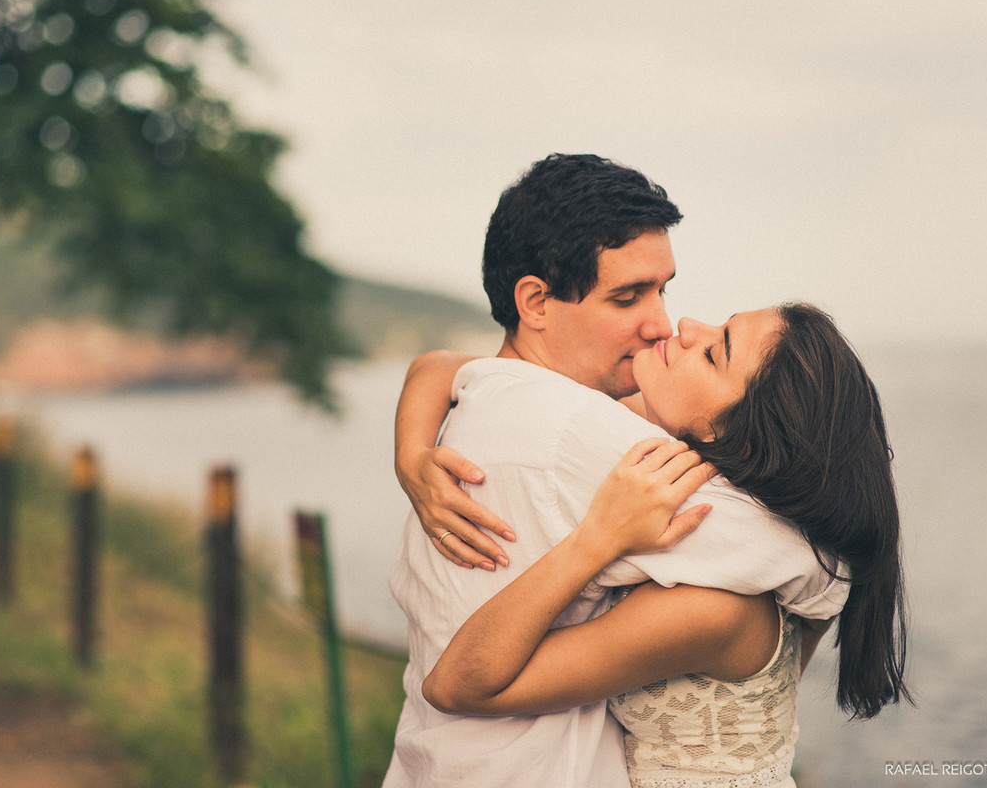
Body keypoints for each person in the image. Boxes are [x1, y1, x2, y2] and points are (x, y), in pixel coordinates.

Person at [382, 154, 855, 788]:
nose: (664, 324)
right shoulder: (588, 435)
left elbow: (438, 365)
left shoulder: (488, 399)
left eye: (662, 288)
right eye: (628, 296)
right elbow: (815, 559)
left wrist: (412, 446)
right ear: (536, 302)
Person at [410, 304, 911, 788]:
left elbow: (456, 685)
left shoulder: (711, 608)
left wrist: (598, 539)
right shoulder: (773, 551)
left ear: (742, 444)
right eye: (721, 325)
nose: (689, 325)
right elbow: (445, 367)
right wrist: (412, 459)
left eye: (716, 354)